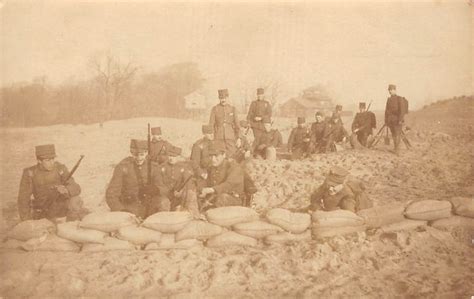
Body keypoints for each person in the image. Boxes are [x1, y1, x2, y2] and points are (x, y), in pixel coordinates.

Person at [17, 144, 88, 221]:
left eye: (53, 159)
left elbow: (76, 187)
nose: (52, 162)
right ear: (39, 161)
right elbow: (23, 199)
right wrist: (26, 221)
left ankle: (71, 223)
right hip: (43, 210)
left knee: (76, 200)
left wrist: (66, 190)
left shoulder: (60, 168)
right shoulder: (30, 173)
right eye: (48, 160)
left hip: (60, 207)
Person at [106, 139, 166, 219]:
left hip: (150, 205)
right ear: (131, 153)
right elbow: (111, 194)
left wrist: (156, 189)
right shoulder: (122, 167)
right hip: (129, 206)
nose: (139, 158)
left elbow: (164, 189)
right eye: (135, 155)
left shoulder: (153, 167)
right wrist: (120, 209)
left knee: (164, 202)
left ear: (146, 153)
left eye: (142, 154)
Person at [155, 146, 200, 218]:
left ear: (178, 157)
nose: (171, 158)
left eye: (174, 156)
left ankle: (195, 216)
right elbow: (159, 185)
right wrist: (170, 193)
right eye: (169, 155)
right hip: (166, 196)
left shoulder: (184, 167)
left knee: (191, 194)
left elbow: (188, 183)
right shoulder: (161, 168)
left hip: (180, 196)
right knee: (163, 203)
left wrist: (181, 192)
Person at [199, 143, 245, 210]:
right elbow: (206, 182)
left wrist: (211, 190)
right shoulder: (211, 168)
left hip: (233, 199)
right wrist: (201, 189)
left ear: (224, 155)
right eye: (211, 156)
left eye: (216, 156)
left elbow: (229, 185)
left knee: (222, 198)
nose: (213, 159)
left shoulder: (233, 167)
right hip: (215, 197)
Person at [209, 89, 240, 156]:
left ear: (227, 98)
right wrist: (212, 137)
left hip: (230, 137)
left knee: (232, 156)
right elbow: (211, 124)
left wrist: (239, 138)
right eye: (221, 98)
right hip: (219, 137)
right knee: (219, 157)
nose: (223, 100)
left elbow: (237, 125)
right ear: (219, 98)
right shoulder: (215, 109)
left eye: (225, 98)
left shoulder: (232, 109)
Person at [385, 84, 408, 155]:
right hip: (391, 120)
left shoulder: (399, 98)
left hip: (397, 120)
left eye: (391, 90)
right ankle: (395, 148)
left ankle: (397, 150)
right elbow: (386, 111)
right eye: (389, 90)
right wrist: (386, 120)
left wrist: (400, 120)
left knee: (397, 134)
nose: (390, 91)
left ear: (395, 90)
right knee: (393, 134)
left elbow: (402, 110)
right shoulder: (389, 99)